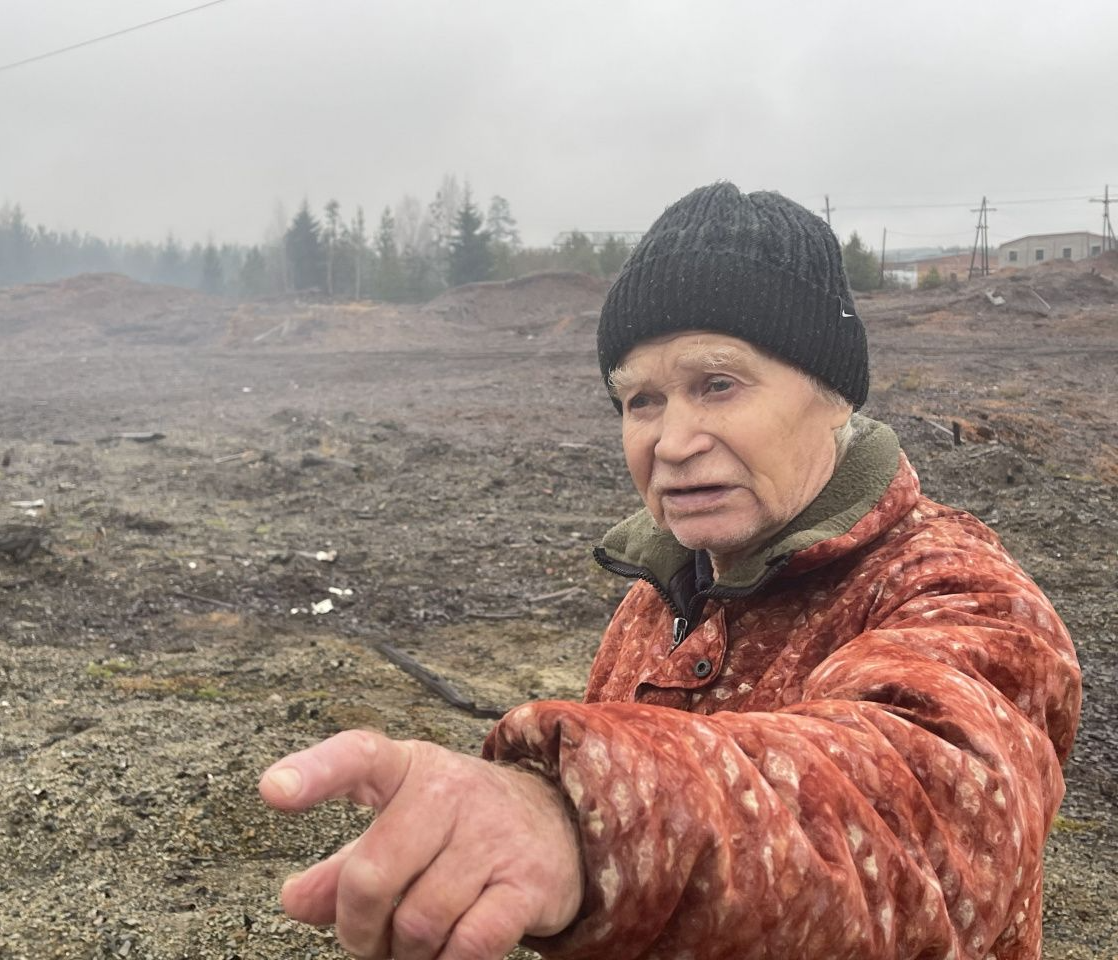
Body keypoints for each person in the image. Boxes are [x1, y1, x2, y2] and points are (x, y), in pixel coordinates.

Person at [260, 182, 1081, 960]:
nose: (672, 440)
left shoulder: (962, 595)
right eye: (640, 401)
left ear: (834, 395)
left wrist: (583, 822)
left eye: (717, 384)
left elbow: (912, 819)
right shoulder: (667, 590)